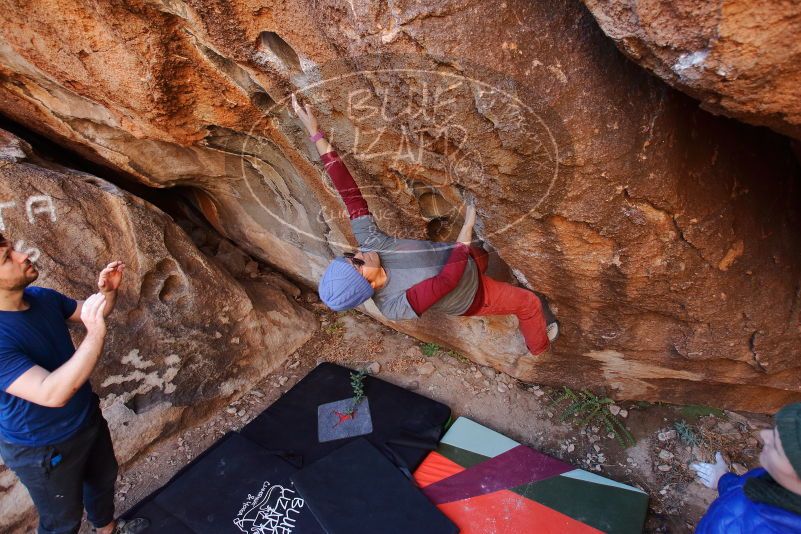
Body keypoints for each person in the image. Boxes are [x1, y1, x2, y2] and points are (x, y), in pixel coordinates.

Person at [292, 95, 558, 355]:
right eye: (358, 263)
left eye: (350, 256)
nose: (359, 253)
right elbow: (445, 282)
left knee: (483, 254)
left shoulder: (372, 245)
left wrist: (316, 135)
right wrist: (465, 230)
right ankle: (539, 347)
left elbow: (350, 195)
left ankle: (489, 267)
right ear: (366, 286)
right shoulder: (392, 305)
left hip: (463, 259)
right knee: (528, 303)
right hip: (471, 294)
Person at [0, 234, 147, 534]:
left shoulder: (41, 297)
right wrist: (96, 335)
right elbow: (52, 393)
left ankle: (107, 530)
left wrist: (107, 293)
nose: (22, 256)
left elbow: (94, 312)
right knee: (62, 521)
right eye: (6, 258)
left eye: (13, 249)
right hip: (42, 446)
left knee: (102, 481)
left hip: (86, 419)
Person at [690, 402, 801, 533]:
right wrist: (721, 479)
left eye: (777, 444)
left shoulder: (745, 527)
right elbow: (742, 487)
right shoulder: (773, 477)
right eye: (774, 430)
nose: (764, 435)